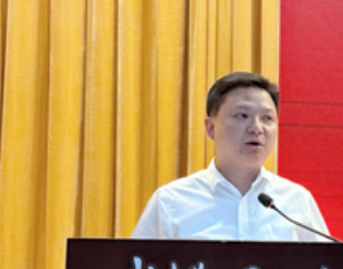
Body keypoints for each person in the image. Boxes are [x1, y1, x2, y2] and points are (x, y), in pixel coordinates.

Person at [131, 72, 331, 241]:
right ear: (211, 128)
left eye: (267, 118)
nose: (256, 128)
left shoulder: (296, 201)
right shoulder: (170, 202)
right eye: (242, 116)